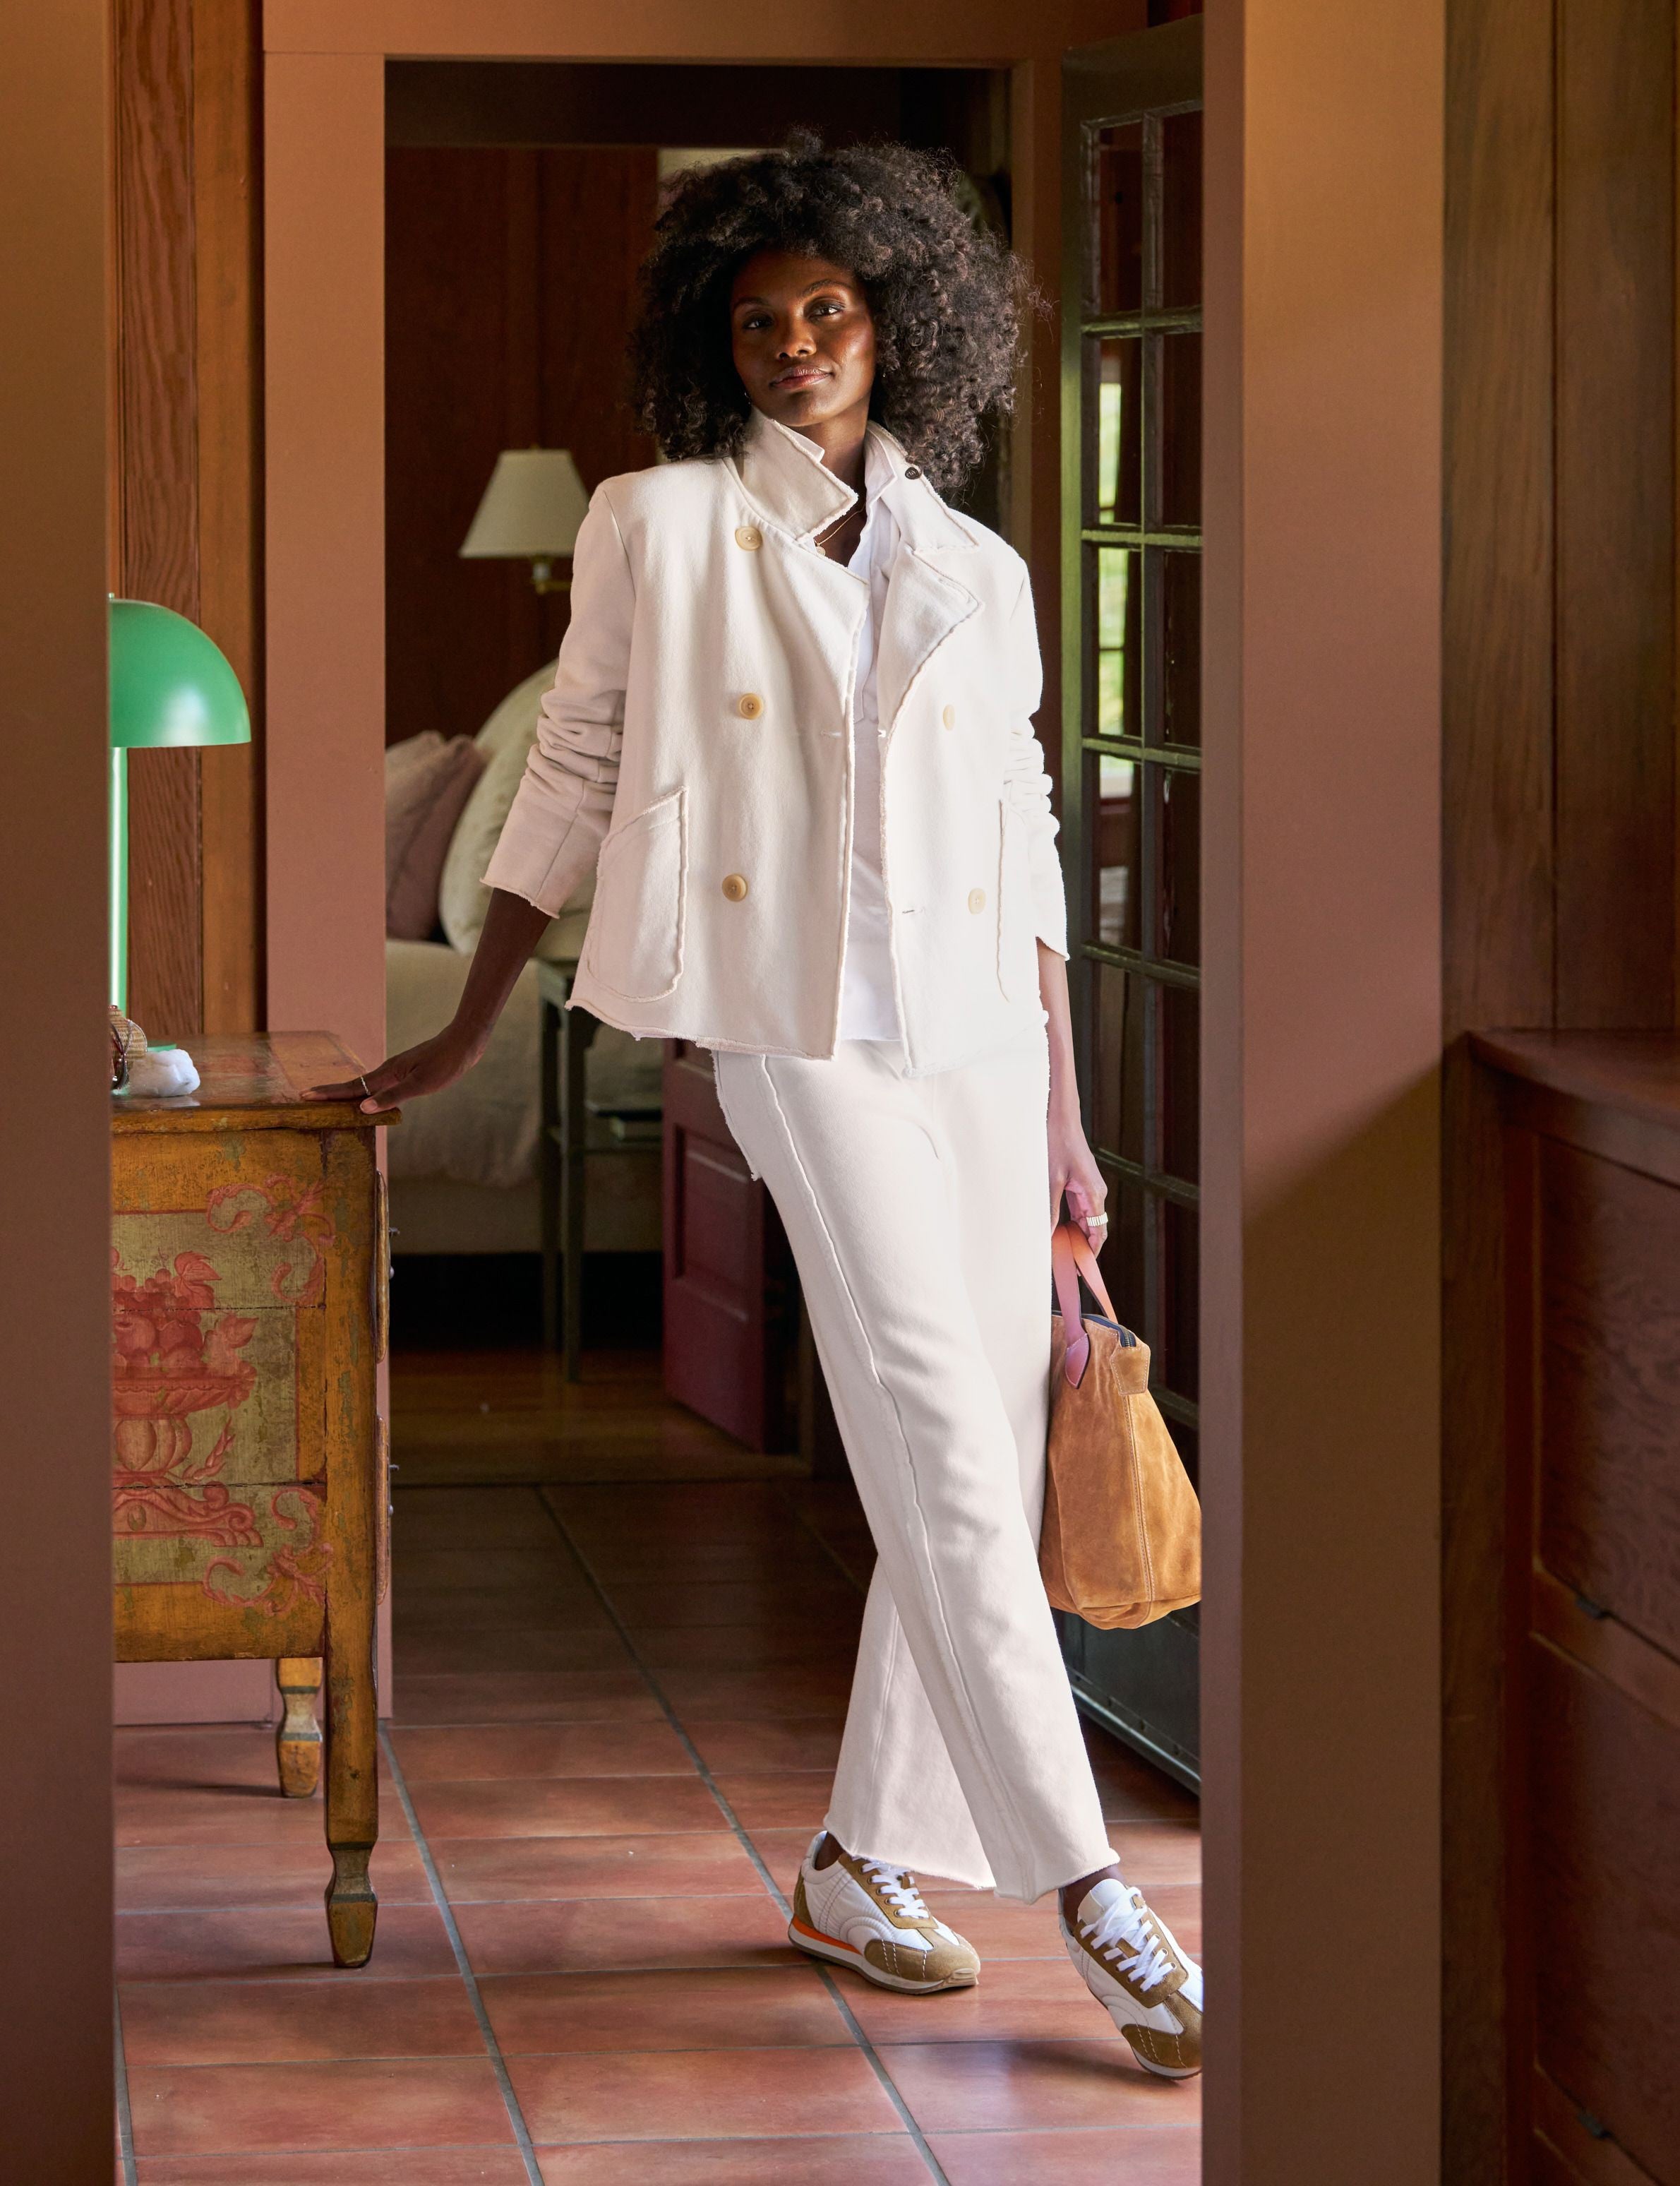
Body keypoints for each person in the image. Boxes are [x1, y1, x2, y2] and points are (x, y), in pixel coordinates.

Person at [316, 138, 1201, 2079]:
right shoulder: (658, 524)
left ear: (899, 326)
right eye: (759, 319)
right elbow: (571, 769)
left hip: (975, 1044)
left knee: (949, 1448)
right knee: (951, 1468)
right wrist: (472, 1022)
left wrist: (1062, 1124)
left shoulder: (977, 565)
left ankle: (860, 1856)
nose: (796, 343)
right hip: (794, 1041)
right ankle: (1095, 1902)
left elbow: (1025, 844)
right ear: (715, 345)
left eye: (830, 311)